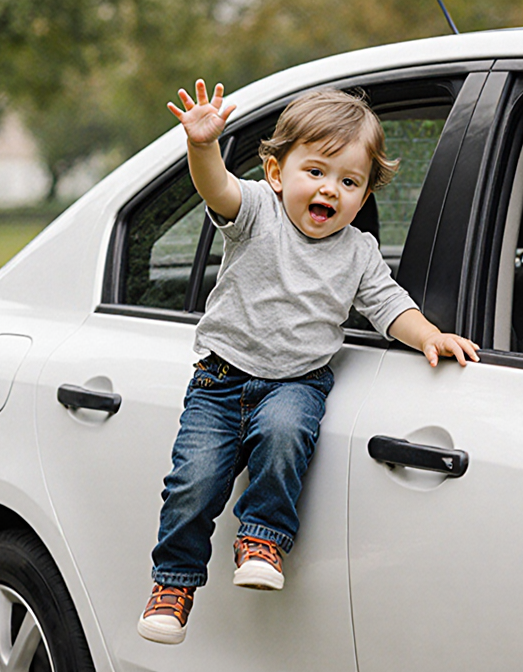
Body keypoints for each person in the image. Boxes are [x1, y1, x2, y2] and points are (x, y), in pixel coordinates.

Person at [138, 79, 480, 645]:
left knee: (284, 434)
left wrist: (428, 336)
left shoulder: (358, 253)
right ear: (277, 175)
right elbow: (216, 188)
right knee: (192, 483)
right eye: (316, 172)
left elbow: (390, 305)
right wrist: (202, 146)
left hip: (296, 382)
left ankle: (262, 540)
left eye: (349, 182)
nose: (330, 191)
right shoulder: (255, 213)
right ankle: (172, 584)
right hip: (220, 381)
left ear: (365, 195)